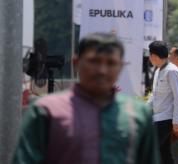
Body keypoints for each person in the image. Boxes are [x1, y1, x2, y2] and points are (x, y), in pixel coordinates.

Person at [12, 33, 159, 164]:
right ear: (76, 63)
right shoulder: (46, 110)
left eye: (111, 63)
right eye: (94, 61)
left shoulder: (138, 114)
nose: (102, 70)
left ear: (120, 67)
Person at [147, 41, 178, 164]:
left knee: (149, 149)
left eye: (150, 55)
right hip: (156, 117)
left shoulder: (173, 71)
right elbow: (154, 94)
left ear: (153, 56)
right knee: (164, 153)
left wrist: (177, 120)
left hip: (166, 118)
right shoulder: (158, 71)